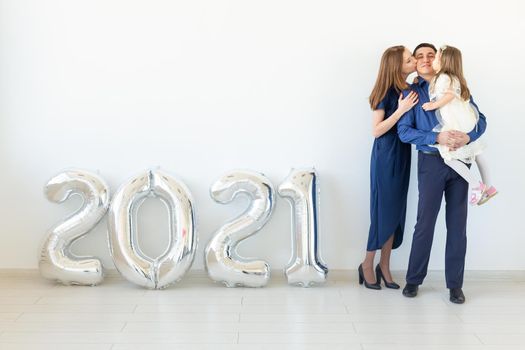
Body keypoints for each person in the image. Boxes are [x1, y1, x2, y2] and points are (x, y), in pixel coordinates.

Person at [397, 43, 487, 304]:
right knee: (424, 224)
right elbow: (405, 132)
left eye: (430, 55)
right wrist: (437, 136)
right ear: (415, 61)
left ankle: (455, 285)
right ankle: (413, 280)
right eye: (420, 56)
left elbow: (480, 119)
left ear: (438, 59)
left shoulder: (455, 84)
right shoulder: (412, 93)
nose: (425, 59)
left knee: (457, 226)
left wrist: (469, 135)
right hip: (431, 163)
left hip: (461, 162)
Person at [359, 46, 418, 290]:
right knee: (383, 210)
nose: (414, 61)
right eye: (409, 59)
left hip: (403, 153)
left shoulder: (410, 89)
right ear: (396, 66)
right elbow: (376, 130)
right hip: (386, 154)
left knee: (396, 211)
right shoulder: (384, 91)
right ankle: (367, 263)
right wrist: (401, 110)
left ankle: (384, 266)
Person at [422, 45, 497, 205]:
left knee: (449, 157)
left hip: (456, 120)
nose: (432, 61)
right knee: (477, 152)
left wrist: (434, 105)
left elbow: (450, 95)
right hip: (466, 119)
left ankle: (476, 185)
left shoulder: (443, 77)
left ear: (443, 61)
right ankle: (489, 187)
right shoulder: (454, 77)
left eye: (435, 57)